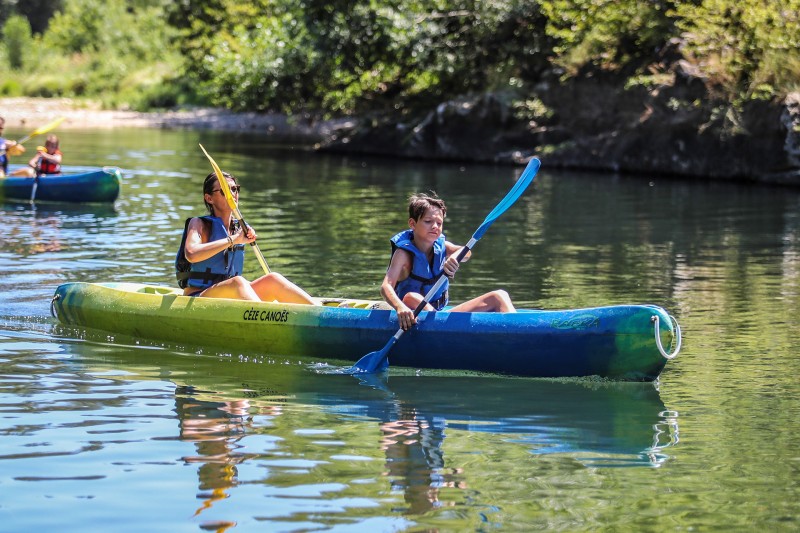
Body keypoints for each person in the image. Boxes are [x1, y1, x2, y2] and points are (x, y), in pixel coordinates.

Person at [175, 170, 317, 304]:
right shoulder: (199, 223)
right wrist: (233, 240)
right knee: (238, 282)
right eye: (225, 191)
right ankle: (266, 320)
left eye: (235, 189)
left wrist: (243, 237)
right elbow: (191, 254)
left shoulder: (239, 228)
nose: (232, 194)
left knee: (273, 279)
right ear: (209, 198)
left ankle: (320, 312)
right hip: (198, 297)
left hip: (229, 296)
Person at [382, 192, 516, 330]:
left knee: (499, 295)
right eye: (428, 221)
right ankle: (438, 327)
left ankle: (518, 332)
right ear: (412, 223)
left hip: (441, 317)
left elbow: (466, 252)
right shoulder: (403, 254)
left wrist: (455, 257)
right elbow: (386, 286)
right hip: (413, 315)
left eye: (439, 223)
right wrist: (400, 307)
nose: (435, 226)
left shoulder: (442, 247)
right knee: (412, 297)